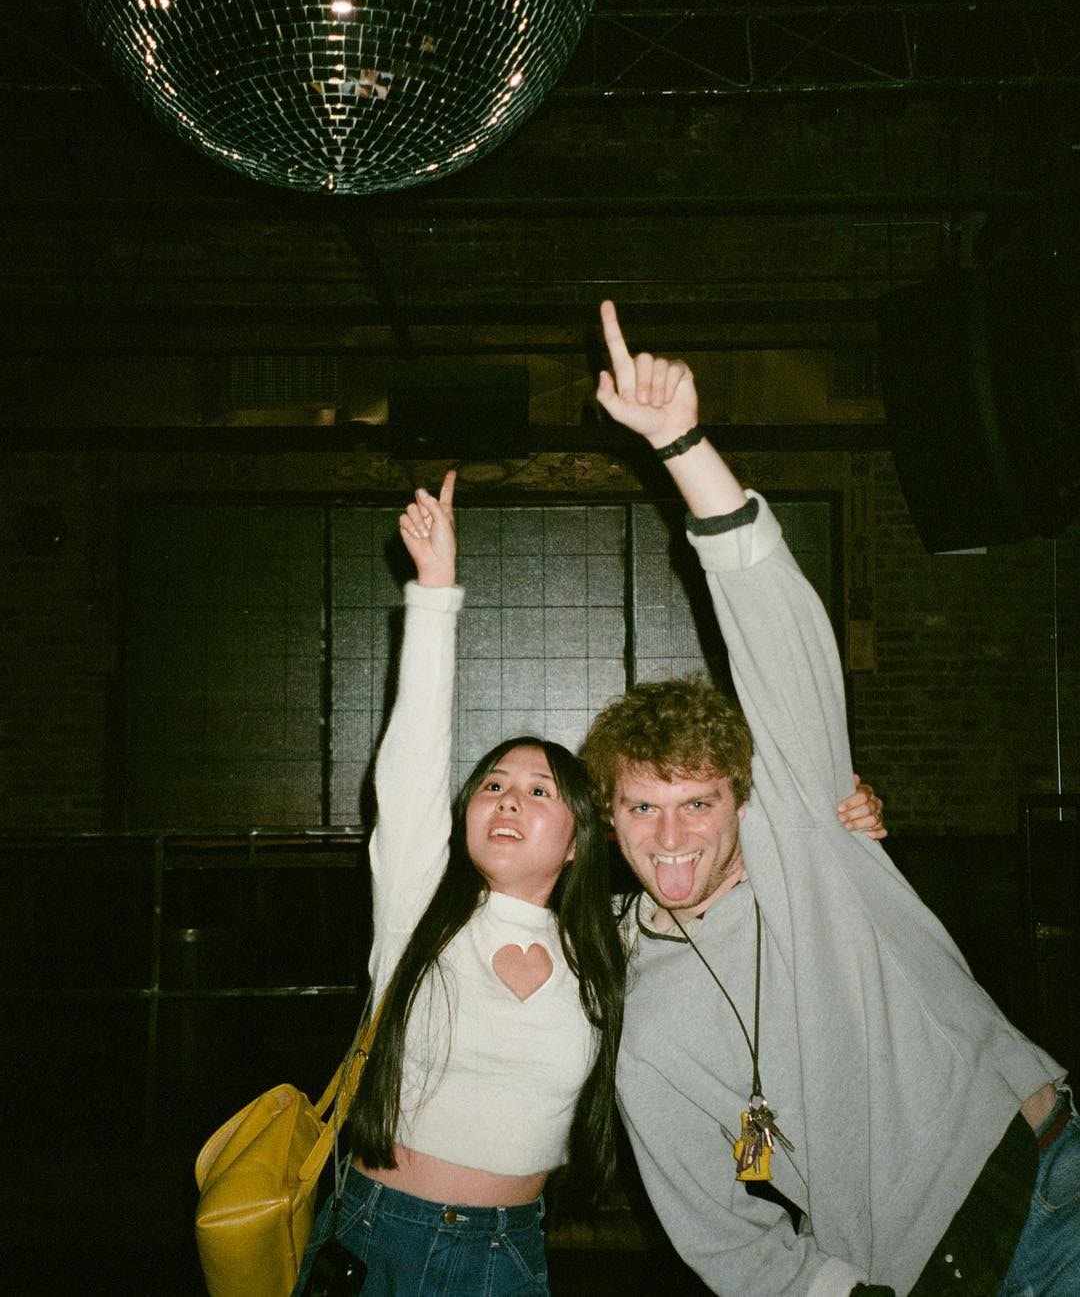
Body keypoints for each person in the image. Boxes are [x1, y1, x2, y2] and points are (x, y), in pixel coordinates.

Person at [582, 300, 1077, 1296]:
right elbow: (726, 1234)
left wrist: (681, 446)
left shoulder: (802, 834)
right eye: (642, 807)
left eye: (698, 802)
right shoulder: (649, 1024)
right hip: (963, 1264)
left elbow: (777, 630)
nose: (671, 834)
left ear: (743, 800)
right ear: (609, 815)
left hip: (1056, 1143)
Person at [294, 468, 884, 1297]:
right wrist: (434, 591)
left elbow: (707, 860)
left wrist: (834, 823)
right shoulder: (418, 910)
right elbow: (411, 767)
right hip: (371, 1237)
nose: (509, 798)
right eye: (493, 783)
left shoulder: (614, 942)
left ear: (580, 838)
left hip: (508, 1254)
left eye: (540, 790)